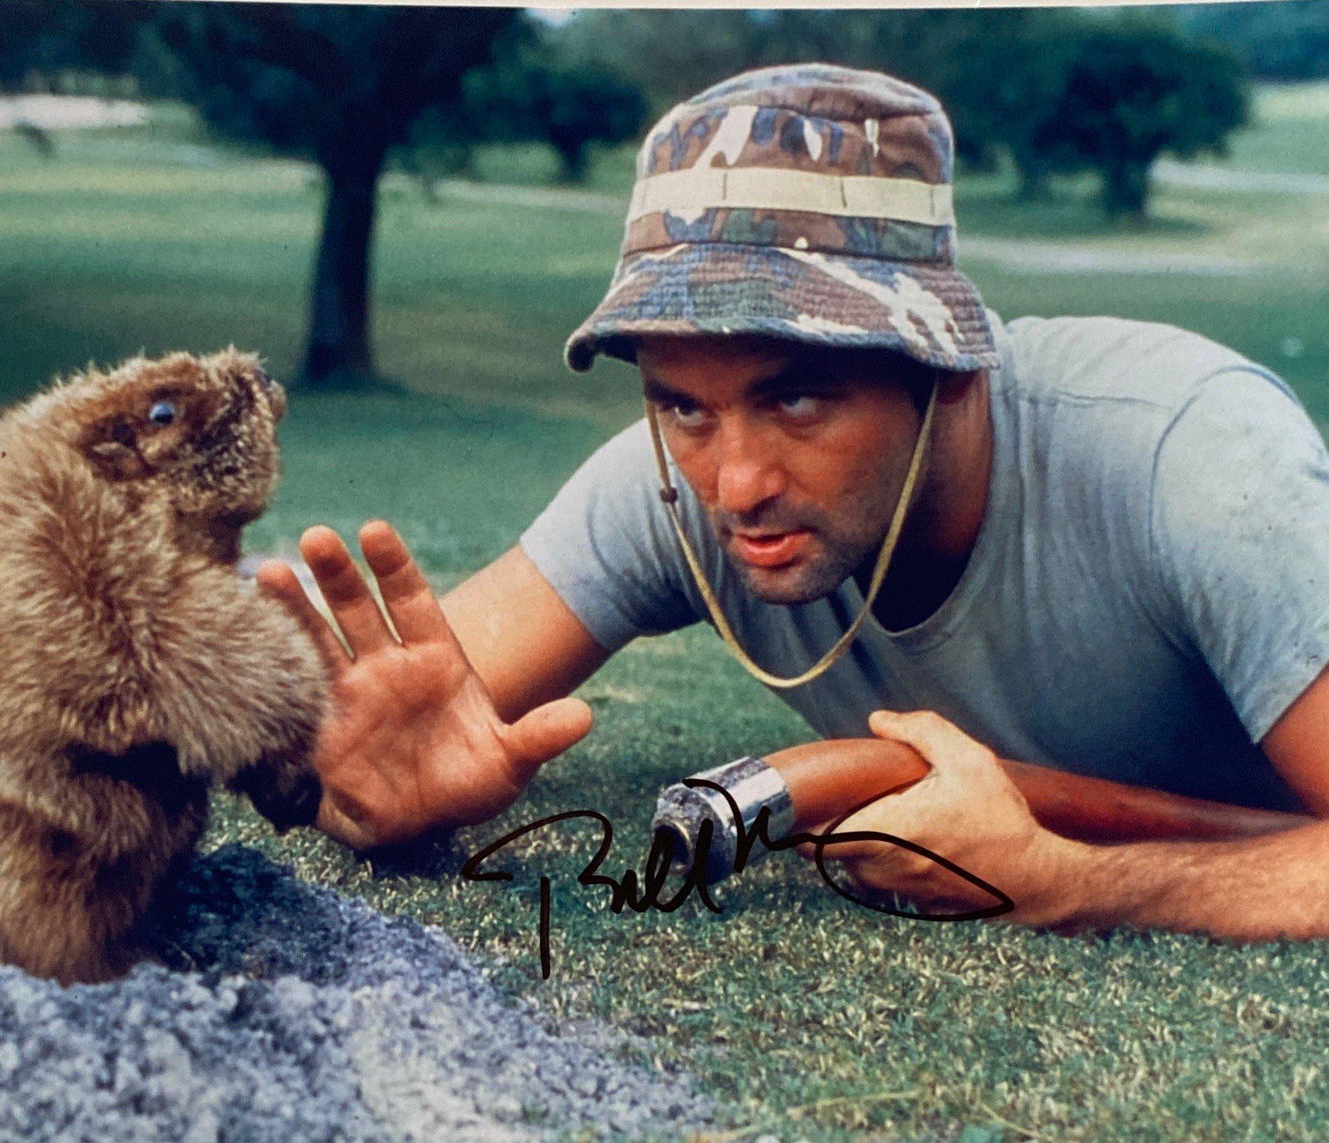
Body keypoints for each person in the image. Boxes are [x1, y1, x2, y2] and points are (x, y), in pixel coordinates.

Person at [256, 64, 1329, 941]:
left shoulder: (1192, 462)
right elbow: (412, 712)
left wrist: (1075, 884)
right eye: (681, 405)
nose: (736, 482)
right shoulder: (682, 477)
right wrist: (348, 779)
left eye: (798, 396)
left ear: (948, 363)